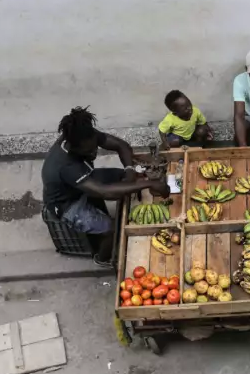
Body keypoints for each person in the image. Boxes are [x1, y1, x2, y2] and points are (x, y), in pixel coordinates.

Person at [41, 107, 169, 267]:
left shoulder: (84, 136)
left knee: (123, 177)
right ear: (75, 148)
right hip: (67, 203)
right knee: (110, 229)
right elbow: (105, 193)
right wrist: (148, 183)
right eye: (89, 150)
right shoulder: (67, 166)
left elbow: (121, 146)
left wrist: (129, 171)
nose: (94, 151)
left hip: (82, 182)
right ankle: (103, 258)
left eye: (95, 146)